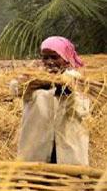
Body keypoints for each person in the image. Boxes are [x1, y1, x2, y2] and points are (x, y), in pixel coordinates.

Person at [11, 36, 90, 165]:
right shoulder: (33, 80)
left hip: (69, 153)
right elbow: (15, 89)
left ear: (66, 59)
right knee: (34, 183)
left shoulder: (78, 81)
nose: (50, 62)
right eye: (45, 57)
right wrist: (33, 79)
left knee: (68, 183)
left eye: (54, 57)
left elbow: (81, 111)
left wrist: (66, 92)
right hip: (36, 154)